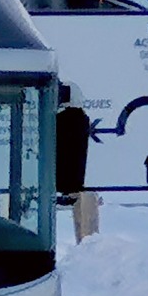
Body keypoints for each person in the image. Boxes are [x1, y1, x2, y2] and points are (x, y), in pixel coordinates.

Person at [55, 86, 99, 242]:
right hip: (78, 178)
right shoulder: (82, 119)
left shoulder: (60, 120)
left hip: (60, 177)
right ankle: (87, 246)